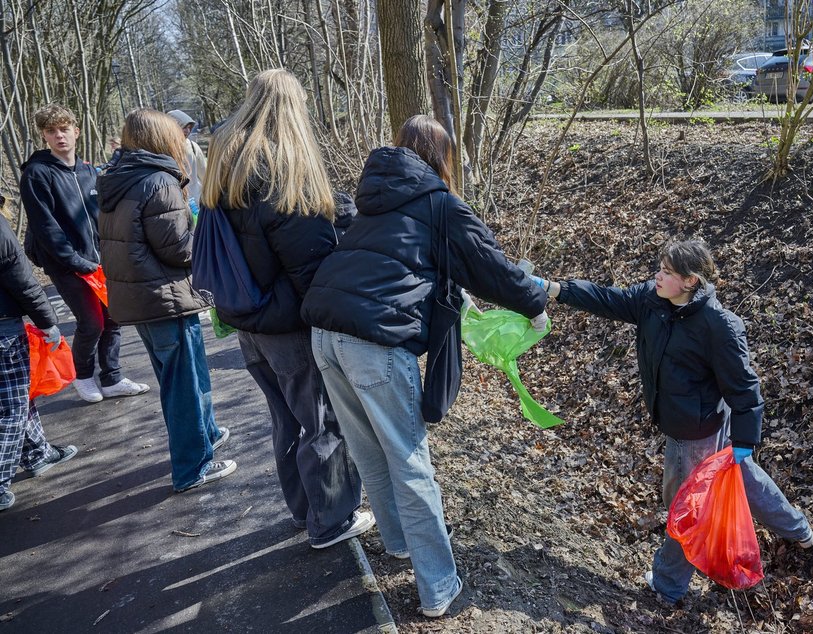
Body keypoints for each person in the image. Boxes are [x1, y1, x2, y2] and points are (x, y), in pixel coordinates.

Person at [302, 115, 549, 618]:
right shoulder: (441, 204)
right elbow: (492, 269)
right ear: (442, 158)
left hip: (324, 334)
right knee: (410, 461)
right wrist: (535, 300)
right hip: (372, 341)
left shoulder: (374, 197)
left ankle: (399, 544)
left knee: (369, 450)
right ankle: (438, 587)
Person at [531, 240, 813, 604]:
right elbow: (606, 298)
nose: (657, 276)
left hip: (694, 434)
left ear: (690, 281)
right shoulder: (652, 301)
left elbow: (744, 387)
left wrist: (745, 440)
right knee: (742, 477)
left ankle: (667, 586)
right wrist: (555, 289)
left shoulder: (719, 326)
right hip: (697, 423)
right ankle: (800, 530)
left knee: (685, 508)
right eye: (659, 268)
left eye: (667, 272)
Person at [200, 69, 371, 547]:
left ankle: (304, 509)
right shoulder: (279, 169)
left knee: (286, 420)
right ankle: (332, 519)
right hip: (287, 328)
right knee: (322, 421)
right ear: (293, 110)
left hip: (249, 322)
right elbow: (310, 269)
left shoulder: (225, 162)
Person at [96, 109, 235, 493]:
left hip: (141, 299)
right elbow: (178, 249)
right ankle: (193, 467)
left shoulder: (118, 180)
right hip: (164, 297)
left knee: (183, 376)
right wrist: (207, 237)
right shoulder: (158, 181)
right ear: (162, 138)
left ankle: (206, 433)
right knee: (183, 384)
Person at [19, 104, 149, 403]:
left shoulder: (90, 170)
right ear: (44, 136)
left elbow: (103, 215)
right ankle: (83, 376)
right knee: (92, 322)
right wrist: (76, 261)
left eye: (64, 129)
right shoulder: (37, 174)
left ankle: (112, 377)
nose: (59, 136)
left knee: (114, 318)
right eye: (51, 131)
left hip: (99, 260)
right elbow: (46, 228)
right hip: (65, 265)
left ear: (76, 131)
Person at [0, 194, 78, 511]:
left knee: (19, 397)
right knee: (11, 409)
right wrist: (48, 322)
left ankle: (37, 452)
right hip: (3, 332)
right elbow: (19, 276)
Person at [166, 110, 206, 204]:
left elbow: (205, 176)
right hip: (173, 203)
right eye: (183, 127)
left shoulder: (193, 147)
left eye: (189, 127)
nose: (187, 131)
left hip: (195, 202)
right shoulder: (162, 150)